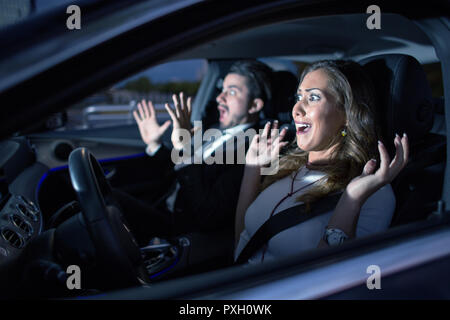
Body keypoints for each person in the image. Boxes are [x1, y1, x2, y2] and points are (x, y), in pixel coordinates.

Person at [234, 60, 409, 263]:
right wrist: (253, 169)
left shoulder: (373, 192)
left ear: (347, 113)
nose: (296, 109)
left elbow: (334, 275)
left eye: (313, 97)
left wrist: (350, 201)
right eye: (299, 97)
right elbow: (243, 242)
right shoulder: (284, 168)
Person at [117, 60, 274, 246]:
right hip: (164, 209)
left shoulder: (254, 150)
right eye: (221, 89)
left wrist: (184, 150)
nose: (219, 98)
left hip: (183, 232)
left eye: (231, 92)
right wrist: (155, 145)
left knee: (109, 202)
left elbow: (208, 215)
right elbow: (182, 171)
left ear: (255, 105)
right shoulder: (213, 130)